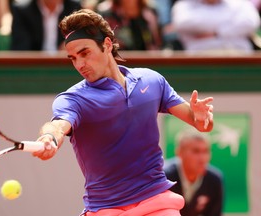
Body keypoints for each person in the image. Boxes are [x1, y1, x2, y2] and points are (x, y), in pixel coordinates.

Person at [32, 8, 214, 216]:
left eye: (85, 53)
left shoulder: (151, 81)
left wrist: (201, 118)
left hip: (156, 202)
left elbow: (202, 125)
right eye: (73, 58)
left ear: (107, 45)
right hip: (106, 209)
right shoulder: (74, 99)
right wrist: (50, 137)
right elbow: (58, 125)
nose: (80, 64)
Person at [164, 128, 223, 216]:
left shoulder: (214, 180)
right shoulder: (163, 178)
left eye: (206, 151)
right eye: (196, 151)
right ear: (179, 152)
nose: (202, 158)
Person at [171, 0, 261, 53]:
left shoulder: (241, 3)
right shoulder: (183, 5)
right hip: (199, 61)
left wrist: (216, 33)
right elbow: (183, 23)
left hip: (241, 58)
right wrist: (231, 22)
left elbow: (251, 22)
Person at [10, 0, 81, 51]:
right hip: (34, 67)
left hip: (63, 66)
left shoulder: (75, 9)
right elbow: (21, 50)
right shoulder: (22, 10)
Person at [96, 0, 162, 50]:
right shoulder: (105, 13)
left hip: (148, 63)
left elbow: (158, 43)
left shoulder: (150, 12)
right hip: (118, 63)